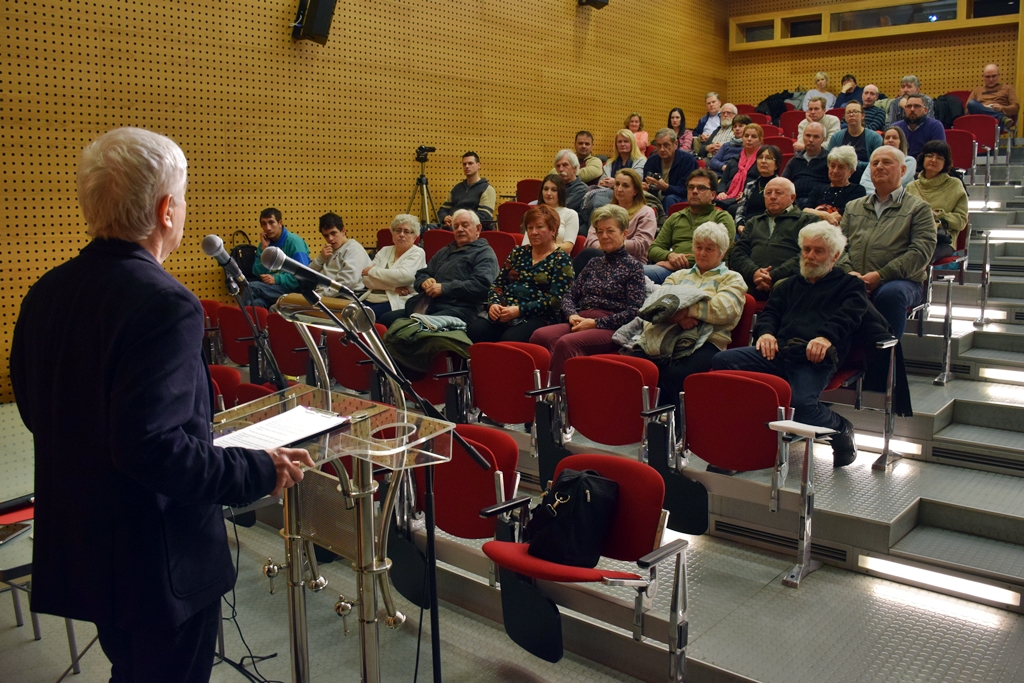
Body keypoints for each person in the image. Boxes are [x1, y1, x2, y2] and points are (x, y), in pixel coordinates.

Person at [9, 127, 314, 683]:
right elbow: (153, 448)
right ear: (167, 209)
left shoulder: (46, 290)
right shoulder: (164, 303)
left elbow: (38, 411)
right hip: (155, 559)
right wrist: (257, 469)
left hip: (88, 547)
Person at [713, 222, 868, 467]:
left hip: (815, 356)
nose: (810, 256)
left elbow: (848, 317)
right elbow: (770, 315)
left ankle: (840, 427)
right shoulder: (788, 284)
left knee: (801, 406)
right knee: (722, 362)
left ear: (835, 256)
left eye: (818, 251)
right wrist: (765, 334)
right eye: (806, 249)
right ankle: (743, 443)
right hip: (779, 351)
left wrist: (825, 338)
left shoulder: (850, 285)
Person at [625, 222, 747, 416]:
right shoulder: (678, 275)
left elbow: (725, 310)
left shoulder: (732, 279)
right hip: (665, 333)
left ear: (722, 252)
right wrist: (677, 318)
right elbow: (656, 304)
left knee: (675, 374)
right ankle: (638, 421)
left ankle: (678, 428)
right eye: (698, 247)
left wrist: (686, 310)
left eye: (709, 248)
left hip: (708, 340)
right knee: (631, 364)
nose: (702, 253)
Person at [530, 204, 645, 379]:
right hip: (581, 318)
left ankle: (555, 398)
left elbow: (634, 312)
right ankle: (548, 387)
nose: (604, 236)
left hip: (610, 326)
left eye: (610, 231)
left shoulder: (634, 267)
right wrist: (571, 315)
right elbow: (569, 295)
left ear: (624, 234)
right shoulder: (594, 263)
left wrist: (595, 323)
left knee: (566, 343)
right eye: (599, 231)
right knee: (539, 335)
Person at [840, 145, 936, 338]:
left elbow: (920, 252)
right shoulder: (853, 206)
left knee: (890, 294)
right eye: (875, 163)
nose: (879, 167)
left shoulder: (919, 209)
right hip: (854, 277)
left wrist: (881, 276)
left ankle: (886, 359)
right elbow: (838, 247)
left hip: (901, 281)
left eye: (887, 162)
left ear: (903, 170)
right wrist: (850, 273)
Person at [468, 205, 574, 343]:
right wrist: (493, 304)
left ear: (553, 230)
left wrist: (520, 310)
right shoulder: (518, 253)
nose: (533, 232)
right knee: (475, 330)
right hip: (505, 310)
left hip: (539, 316)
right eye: (530, 228)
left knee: (511, 339)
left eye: (539, 227)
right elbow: (497, 285)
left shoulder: (562, 260)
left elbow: (557, 300)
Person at [377, 209, 499, 328]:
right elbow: (422, 273)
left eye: (465, 225)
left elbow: (482, 286)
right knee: (386, 319)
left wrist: (444, 288)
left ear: (478, 229)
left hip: (462, 308)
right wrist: (425, 281)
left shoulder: (484, 253)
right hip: (431, 304)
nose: (460, 229)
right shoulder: (446, 250)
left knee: (417, 326)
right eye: (456, 226)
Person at [730, 177, 818, 300]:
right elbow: (738, 253)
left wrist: (773, 276)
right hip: (752, 280)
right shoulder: (754, 222)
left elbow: (808, 255)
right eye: (768, 193)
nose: (772, 196)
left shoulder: (808, 221)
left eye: (778, 193)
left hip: (791, 282)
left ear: (792, 198)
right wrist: (754, 273)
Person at [646, 169, 736, 284]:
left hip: (708, 274)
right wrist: (670, 255)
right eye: (691, 187)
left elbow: (719, 252)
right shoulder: (676, 217)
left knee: (637, 273)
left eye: (701, 188)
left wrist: (677, 264)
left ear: (713, 195)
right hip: (673, 272)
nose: (694, 191)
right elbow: (653, 249)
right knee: (632, 272)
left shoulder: (722, 218)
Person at [905, 140, 969, 262]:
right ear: (923, 158)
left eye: (939, 158)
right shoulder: (911, 186)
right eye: (929, 156)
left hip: (941, 240)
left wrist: (938, 215)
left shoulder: (955, 185)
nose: (933, 160)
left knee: (919, 256)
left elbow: (961, 221)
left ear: (945, 163)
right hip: (913, 237)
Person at [359, 214, 428, 319]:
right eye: (398, 230)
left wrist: (372, 271)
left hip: (396, 300)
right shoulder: (384, 250)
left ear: (415, 236)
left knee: (364, 317)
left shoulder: (417, 252)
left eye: (406, 231)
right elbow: (366, 279)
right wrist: (393, 287)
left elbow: (403, 276)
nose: (401, 234)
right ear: (392, 233)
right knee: (350, 314)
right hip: (371, 297)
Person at [583, 169, 657, 264]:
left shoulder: (646, 212)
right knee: (587, 255)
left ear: (635, 191)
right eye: (617, 184)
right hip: (601, 257)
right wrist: (604, 247)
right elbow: (590, 239)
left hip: (631, 263)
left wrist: (610, 245)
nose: (619, 189)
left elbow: (641, 245)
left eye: (625, 186)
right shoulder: (605, 210)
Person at [248, 207, 312, 308]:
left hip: (293, 290)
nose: (268, 228)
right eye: (264, 224)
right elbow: (257, 272)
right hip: (274, 289)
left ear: (280, 223)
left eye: (271, 222)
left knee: (251, 288)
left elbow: (303, 275)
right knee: (257, 303)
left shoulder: (294, 242)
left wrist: (276, 279)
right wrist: (264, 250)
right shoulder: (265, 244)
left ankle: (237, 322)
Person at [310, 212, 371, 298]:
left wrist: (321, 296)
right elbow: (307, 275)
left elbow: (347, 282)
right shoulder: (329, 250)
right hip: (322, 294)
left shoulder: (354, 250)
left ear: (343, 231)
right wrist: (321, 258)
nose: (330, 239)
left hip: (341, 297)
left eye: (333, 233)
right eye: (326, 236)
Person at [803, 145, 868, 224]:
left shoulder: (857, 191)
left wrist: (815, 213)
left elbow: (842, 215)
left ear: (851, 171)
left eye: (841, 167)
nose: (835, 171)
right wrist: (823, 215)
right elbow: (805, 211)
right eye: (832, 166)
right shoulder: (818, 189)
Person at [643, 128, 698, 213]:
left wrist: (666, 187)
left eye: (666, 145)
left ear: (675, 144)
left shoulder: (688, 160)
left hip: (678, 197)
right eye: (659, 145)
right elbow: (646, 183)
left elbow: (686, 190)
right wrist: (644, 187)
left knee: (670, 198)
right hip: (656, 197)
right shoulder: (651, 160)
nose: (661, 149)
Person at [523, 173, 580, 253]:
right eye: (546, 189)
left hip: (559, 261)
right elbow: (526, 245)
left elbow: (567, 247)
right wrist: (555, 245)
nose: (548, 193)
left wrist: (541, 246)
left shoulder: (571, 214)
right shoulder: (534, 213)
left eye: (554, 190)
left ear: (561, 192)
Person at [437, 151, 496, 228]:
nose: (467, 166)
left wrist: (457, 221)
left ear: (478, 165)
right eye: (464, 164)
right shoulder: (456, 188)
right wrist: (445, 218)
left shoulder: (487, 189)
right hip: (451, 226)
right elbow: (442, 210)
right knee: (426, 228)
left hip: (470, 230)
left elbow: (484, 216)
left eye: (470, 163)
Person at [827, 101, 882, 183]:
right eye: (848, 112)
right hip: (840, 177)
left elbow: (877, 164)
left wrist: (855, 164)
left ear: (863, 116)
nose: (851, 115)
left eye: (855, 112)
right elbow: (829, 161)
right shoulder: (836, 137)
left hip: (865, 178)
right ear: (845, 117)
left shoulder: (875, 138)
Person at [734, 144, 783, 234]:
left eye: (768, 158)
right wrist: (740, 225)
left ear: (776, 165)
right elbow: (741, 210)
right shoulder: (750, 185)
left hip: (767, 231)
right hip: (746, 229)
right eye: (760, 158)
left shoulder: (782, 187)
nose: (763, 161)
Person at [782, 122, 830, 208]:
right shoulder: (794, 161)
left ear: (823, 139)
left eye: (816, 137)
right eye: (808, 135)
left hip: (819, 203)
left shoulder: (830, 160)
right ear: (803, 137)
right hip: (794, 202)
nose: (811, 140)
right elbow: (783, 183)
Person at [715, 123, 764, 207]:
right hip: (728, 196)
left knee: (732, 209)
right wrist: (721, 192)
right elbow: (723, 181)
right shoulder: (734, 160)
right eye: (746, 136)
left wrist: (747, 194)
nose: (749, 139)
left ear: (760, 140)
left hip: (749, 197)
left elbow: (763, 183)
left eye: (753, 136)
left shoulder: (762, 160)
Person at [861, 126, 917, 194]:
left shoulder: (909, 161)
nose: (890, 140)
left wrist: (880, 191)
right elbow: (864, 183)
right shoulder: (875, 161)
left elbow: (895, 183)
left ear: (901, 142)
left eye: (895, 138)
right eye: (887, 138)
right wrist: (879, 194)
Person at [967, 63, 1020, 128]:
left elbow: (1016, 108)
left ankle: (999, 117)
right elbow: (967, 109)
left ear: (998, 75)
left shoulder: (1008, 88)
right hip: (981, 119)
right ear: (983, 76)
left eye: (994, 76)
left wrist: (1001, 108)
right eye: (987, 77)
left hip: (997, 122)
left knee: (995, 122)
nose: (991, 79)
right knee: (972, 103)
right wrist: (982, 107)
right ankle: (1001, 118)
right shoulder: (976, 91)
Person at [894, 94, 946, 158]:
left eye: (917, 106)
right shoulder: (896, 127)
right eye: (909, 106)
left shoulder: (935, 126)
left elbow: (938, 154)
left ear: (925, 110)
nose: (912, 109)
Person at [554, 149, 589, 213]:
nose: (561, 169)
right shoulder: (555, 186)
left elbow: (562, 209)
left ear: (575, 168)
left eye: (565, 165)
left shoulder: (581, 189)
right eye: (558, 166)